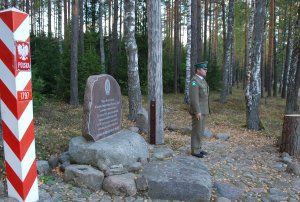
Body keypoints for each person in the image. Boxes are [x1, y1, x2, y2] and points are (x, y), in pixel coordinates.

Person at [189, 61, 209, 158]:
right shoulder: (194, 81)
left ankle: (199, 148)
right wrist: (197, 111)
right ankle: (195, 150)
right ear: (198, 70)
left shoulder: (202, 80)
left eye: (206, 69)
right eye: (204, 69)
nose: (206, 70)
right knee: (197, 130)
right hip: (198, 111)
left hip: (203, 110)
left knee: (200, 130)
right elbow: (194, 98)